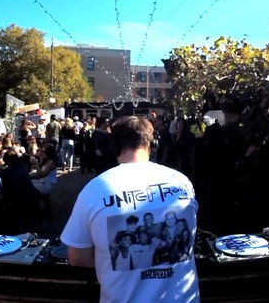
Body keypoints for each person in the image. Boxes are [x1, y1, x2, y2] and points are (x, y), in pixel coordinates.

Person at [61, 116, 200, 302]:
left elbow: (78, 257)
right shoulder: (181, 181)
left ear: (114, 146)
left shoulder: (95, 189)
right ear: (152, 144)